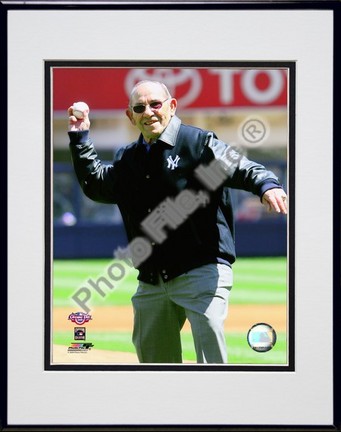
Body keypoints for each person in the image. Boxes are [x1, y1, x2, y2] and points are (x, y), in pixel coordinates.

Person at [67, 80, 287, 364]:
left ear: (171, 106)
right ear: (130, 116)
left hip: (201, 270)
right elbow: (97, 185)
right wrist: (81, 138)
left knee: (211, 362)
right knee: (154, 365)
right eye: (139, 107)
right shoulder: (128, 158)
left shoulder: (197, 143)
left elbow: (240, 166)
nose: (148, 112)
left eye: (155, 104)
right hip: (152, 279)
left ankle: (216, 408)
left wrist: (266, 184)